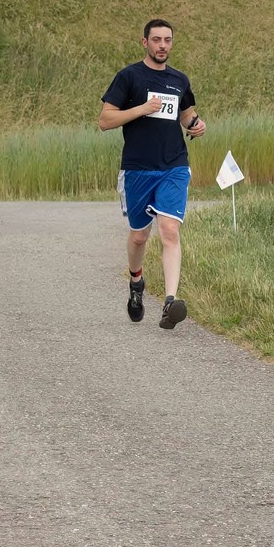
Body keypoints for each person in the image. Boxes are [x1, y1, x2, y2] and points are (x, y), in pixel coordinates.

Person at [98, 18, 205, 328]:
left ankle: (170, 302)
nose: (162, 45)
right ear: (145, 42)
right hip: (138, 169)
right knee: (139, 236)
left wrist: (196, 125)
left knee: (169, 230)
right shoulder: (129, 77)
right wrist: (141, 109)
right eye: (156, 40)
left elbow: (186, 115)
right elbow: (105, 120)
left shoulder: (179, 80)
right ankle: (136, 282)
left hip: (174, 166)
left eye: (167, 40)